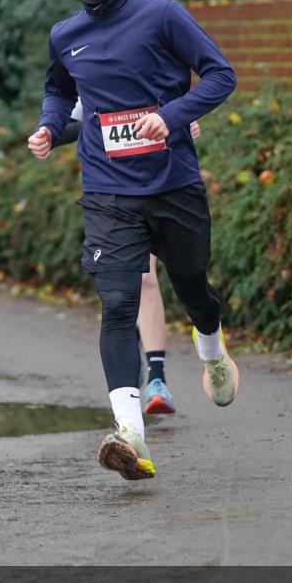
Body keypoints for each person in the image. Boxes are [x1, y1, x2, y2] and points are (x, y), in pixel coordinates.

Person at [27, 0, 239, 481]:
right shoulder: (65, 34)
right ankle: (131, 435)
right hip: (107, 191)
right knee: (118, 302)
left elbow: (221, 75)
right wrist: (50, 126)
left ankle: (212, 350)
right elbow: (60, 90)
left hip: (172, 183)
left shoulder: (163, 14)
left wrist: (170, 116)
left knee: (193, 285)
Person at [56, 99, 202, 416]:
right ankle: (137, 349)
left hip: (162, 187)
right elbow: (59, 127)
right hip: (111, 194)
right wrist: (107, 127)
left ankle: (157, 380)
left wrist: (177, 123)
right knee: (138, 280)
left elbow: (187, 106)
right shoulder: (90, 72)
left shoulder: (155, 68)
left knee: (149, 280)